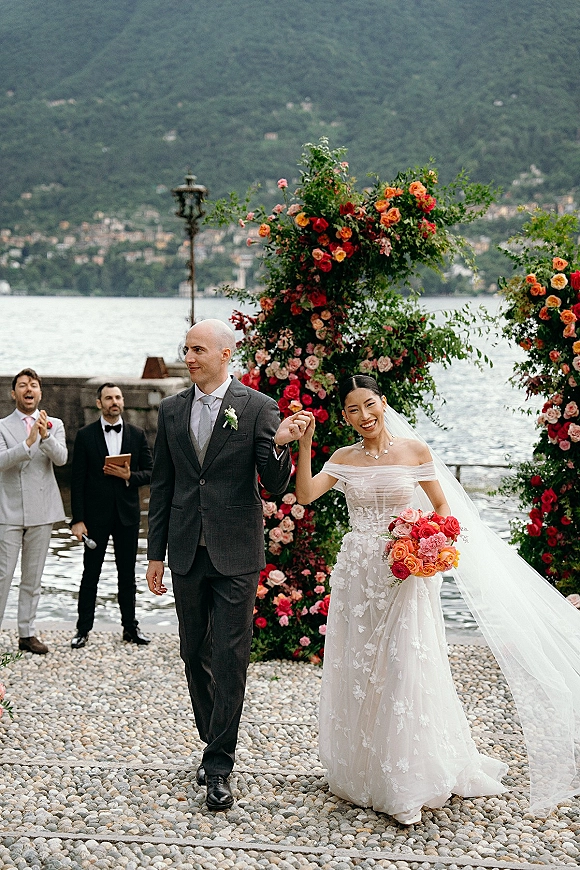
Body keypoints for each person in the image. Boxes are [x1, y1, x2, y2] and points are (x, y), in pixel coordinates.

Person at [294, 374, 508, 824]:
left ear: (383, 403)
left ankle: (409, 775)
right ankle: (365, 767)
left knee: (405, 663)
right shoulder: (343, 457)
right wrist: (307, 443)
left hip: (405, 566)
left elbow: (443, 508)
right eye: (353, 410)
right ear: (346, 416)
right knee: (361, 664)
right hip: (358, 573)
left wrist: (427, 535)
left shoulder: (415, 452)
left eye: (369, 405)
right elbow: (306, 494)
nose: (364, 416)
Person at [146, 319, 304, 812]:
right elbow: (164, 486)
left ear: (224, 354)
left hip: (236, 551)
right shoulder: (171, 409)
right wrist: (154, 553)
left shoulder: (257, 407)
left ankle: (218, 765)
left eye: (197, 350)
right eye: (186, 349)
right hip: (186, 548)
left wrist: (283, 441)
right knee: (194, 651)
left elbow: (275, 484)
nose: (188, 357)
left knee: (232, 653)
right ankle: (215, 736)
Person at [70, 383, 153, 649]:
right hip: (95, 517)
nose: (114, 401)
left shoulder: (137, 434)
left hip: (127, 515)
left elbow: (152, 472)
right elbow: (77, 480)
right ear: (99, 403)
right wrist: (77, 519)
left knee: (127, 574)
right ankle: (83, 629)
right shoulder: (85, 435)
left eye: (117, 397)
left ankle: (130, 627)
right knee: (90, 574)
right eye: (108, 398)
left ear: (122, 401)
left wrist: (130, 476)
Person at [0, 368, 67, 654]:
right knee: (3, 575)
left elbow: (62, 459)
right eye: (23, 385)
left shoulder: (54, 423)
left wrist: (45, 437)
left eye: (34, 385)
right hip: (8, 510)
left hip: (42, 510)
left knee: (33, 577)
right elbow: (1, 462)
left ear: (40, 392)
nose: (29, 389)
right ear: (13, 393)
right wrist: (28, 444)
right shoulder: (2, 426)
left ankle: (26, 634)